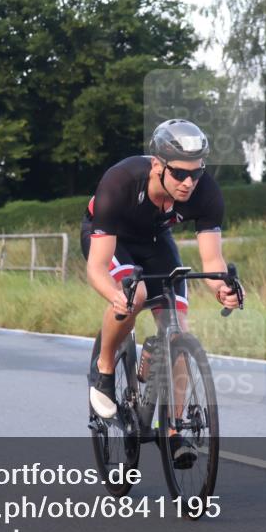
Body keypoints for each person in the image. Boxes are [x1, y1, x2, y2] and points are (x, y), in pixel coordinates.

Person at [81, 119, 242, 466]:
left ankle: (174, 431)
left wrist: (222, 289)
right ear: (157, 164)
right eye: (180, 174)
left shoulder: (206, 191)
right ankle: (105, 367)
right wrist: (116, 295)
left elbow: (212, 260)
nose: (188, 183)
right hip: (112, 240)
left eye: (196, 174)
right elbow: (96, 268)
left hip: (156, 242)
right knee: (134, 296)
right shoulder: (121, 181)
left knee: (178, 333)